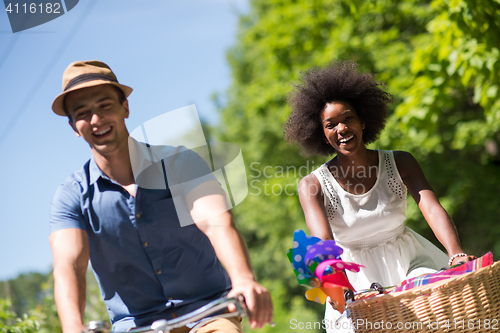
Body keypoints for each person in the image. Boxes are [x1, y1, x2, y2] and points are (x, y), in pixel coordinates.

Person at [49, 60, 273, 333]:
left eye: (105, 105)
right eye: (83, 113)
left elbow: (216, 223)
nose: (96, 119)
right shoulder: (73, 196)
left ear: (125, 108)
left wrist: (243, 278)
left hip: (209, 312)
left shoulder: (180, 163)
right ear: (74, 126)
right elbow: (69, 266)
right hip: (137, 326)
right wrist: (72, 326)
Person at [284, 60, 474, 332]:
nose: (341, 129)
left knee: (435, 309)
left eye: (348, 118)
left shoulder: (401, 162)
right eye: (331, 124)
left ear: (362, 120)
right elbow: (323, 244)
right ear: (323, 135)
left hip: (412, 263)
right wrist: (344, 293)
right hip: (354, 281)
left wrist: (456, 254)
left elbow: (431, 206)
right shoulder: (312, 185)